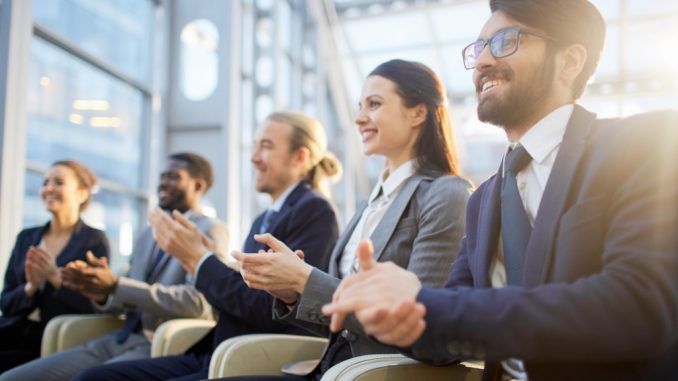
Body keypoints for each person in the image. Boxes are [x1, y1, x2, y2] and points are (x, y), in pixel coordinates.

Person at [323, 1, 678, 380]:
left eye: (506, 41)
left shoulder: (644, 143)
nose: (482, 62)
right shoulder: (482, 201)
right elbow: (450, 322)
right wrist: (403, 313)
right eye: (479, 48)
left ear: (570, 61)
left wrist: (429, 306)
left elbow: (638, 306)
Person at [212, 59, 473, 381]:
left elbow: (425, 322)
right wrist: (292, 292)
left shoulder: (445, 194)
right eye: (359, 106)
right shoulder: (370, 204)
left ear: (418, 112)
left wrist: (305, 280)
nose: (359, 118)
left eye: (374, 104)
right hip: (332, 369)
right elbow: (338, 321)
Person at [72, 111, 341, 381]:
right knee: (92, 378)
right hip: (214, 349)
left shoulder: (315, 211)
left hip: (250, 354)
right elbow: (246, 292)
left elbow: (269, 308)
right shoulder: (266, 217)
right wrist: (208, 259)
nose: (254, 157)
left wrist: (199, 260)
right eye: (255, 145)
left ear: (301, 157)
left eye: (266, 146)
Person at [0, 152, 229, 381]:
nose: (162, 182)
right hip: (118, 337)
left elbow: (201, 304)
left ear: (198, 186)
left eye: (173, 177)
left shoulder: (210, 229)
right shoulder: (148, 234)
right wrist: (101, 290)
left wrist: (117, 286)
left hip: (160, 342)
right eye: (161, 176)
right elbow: (123, 291)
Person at [0, 160, 109, 373]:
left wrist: (55, 279)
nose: (49, 188)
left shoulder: (93, 241)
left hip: (56, 338)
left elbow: (94, 307)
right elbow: (6, 302)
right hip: (14, 330)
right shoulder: (27, 237)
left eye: (58, 182)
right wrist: (30, 288)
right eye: (45, 182)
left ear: (82, 193)